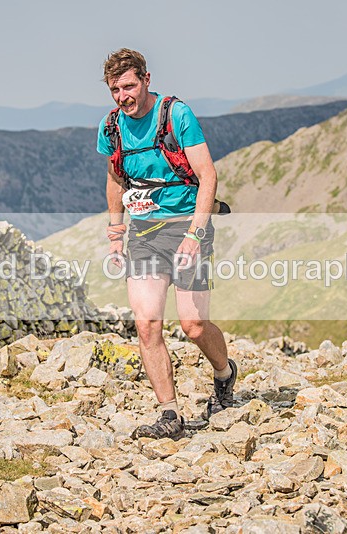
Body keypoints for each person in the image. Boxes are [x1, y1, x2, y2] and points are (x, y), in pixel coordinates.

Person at [96, 48, 237, 440]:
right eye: (115, 90)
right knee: (147, 324)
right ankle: (169, 414)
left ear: (146, 80)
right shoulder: (111, 127)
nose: (123, 96)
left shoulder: (177, 115)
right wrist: (115, 233)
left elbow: (208, 176)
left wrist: (195, 234)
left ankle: (224, 372)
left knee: (193, 325)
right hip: (144, 233)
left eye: (129, 86)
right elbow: (115, 180)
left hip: (187, 226)